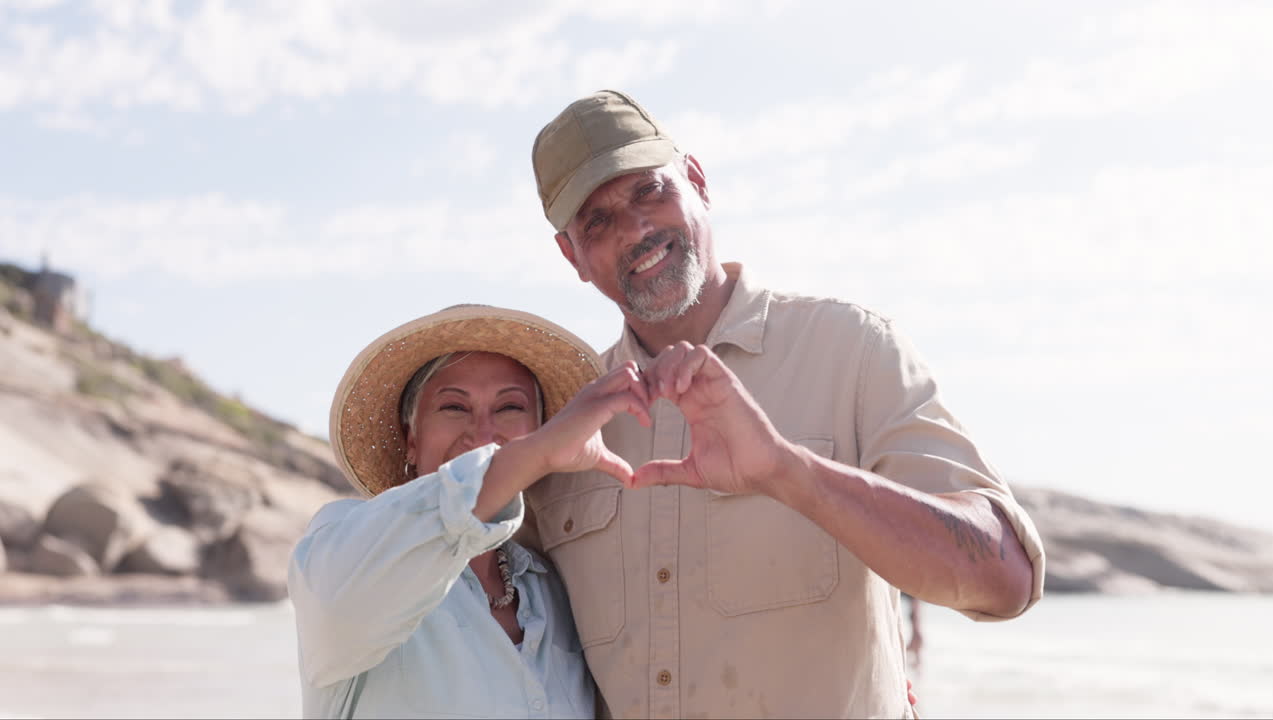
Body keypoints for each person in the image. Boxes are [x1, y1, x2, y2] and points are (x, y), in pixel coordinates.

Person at [525, 90, 1048, 718]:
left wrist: (787, 470)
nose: (635, 230)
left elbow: (1006, 581)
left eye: (648, 192)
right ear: (572, 256)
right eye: (597, 222)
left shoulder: (852, 351)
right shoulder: (567, 425)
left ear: (697, 181)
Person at [288, 305, 654, 718]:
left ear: (540, 426)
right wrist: (530, 454)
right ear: (411, 438)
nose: (483, 435)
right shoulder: (348, 545)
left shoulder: (549, 589)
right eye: (454, 407)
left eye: (510, 408)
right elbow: (340, 611)